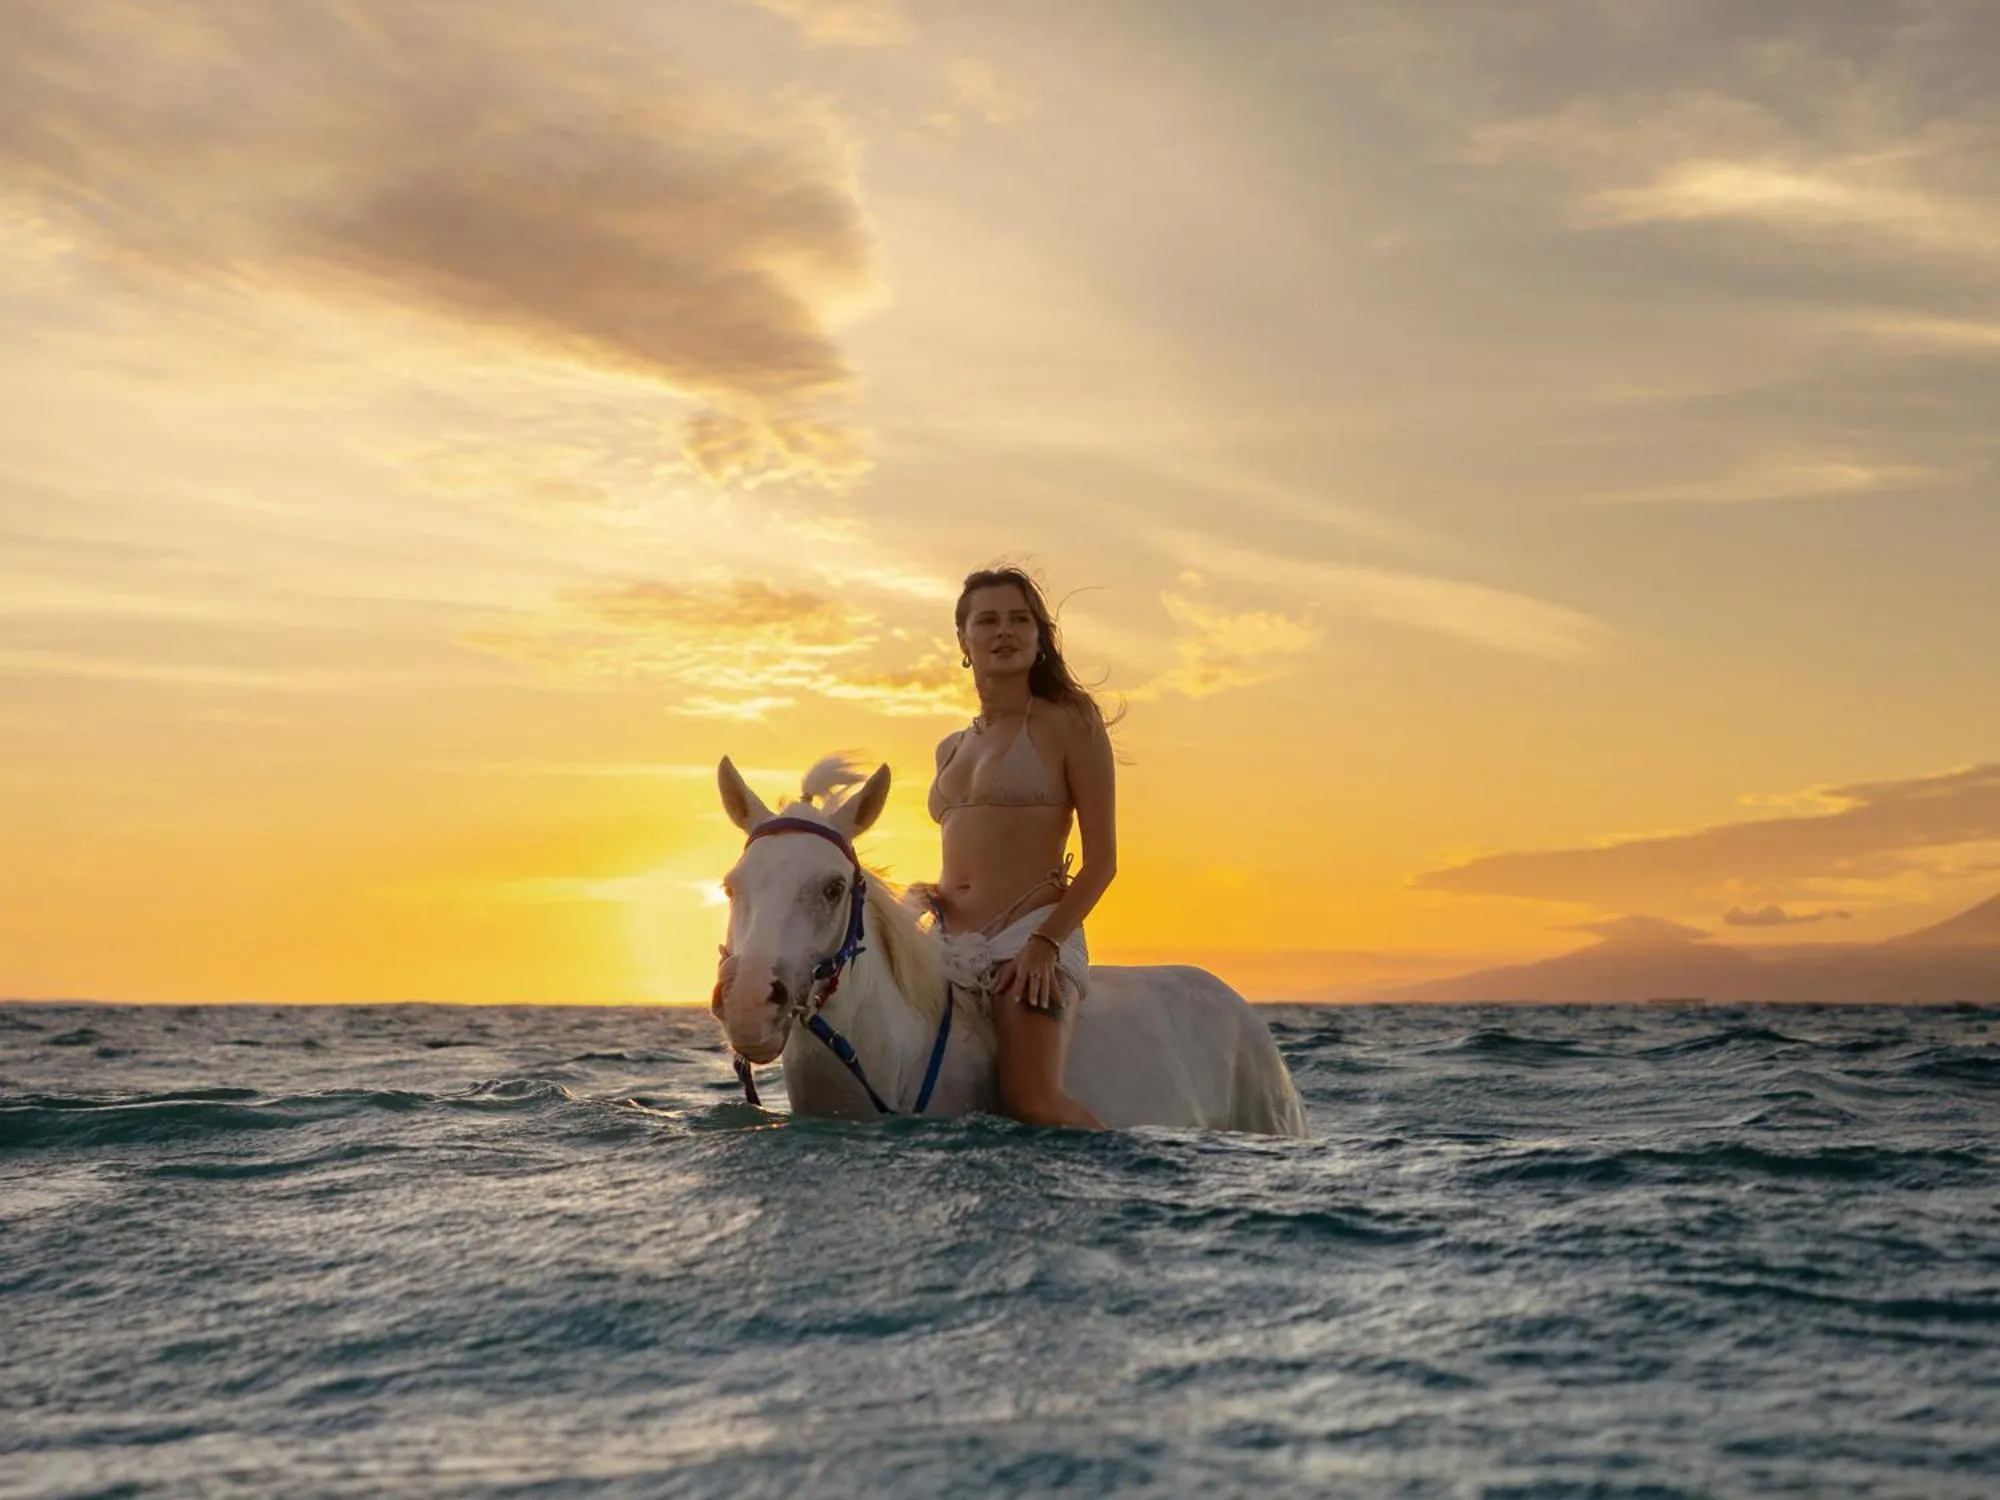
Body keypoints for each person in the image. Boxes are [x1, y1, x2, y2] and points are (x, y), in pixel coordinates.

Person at [923, 565, 1117, 1129]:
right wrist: (933, 896)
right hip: (948, 946)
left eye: (1018, 619)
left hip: (1028, 939)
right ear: (964, 641)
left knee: (1031, 1104)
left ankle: (1123, 1188)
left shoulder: (1069, 723)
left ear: (1039, 636)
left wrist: (1044, 944)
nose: (1003, 631)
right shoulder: (950, 747)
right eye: (987, 620)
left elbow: (1103, 861)